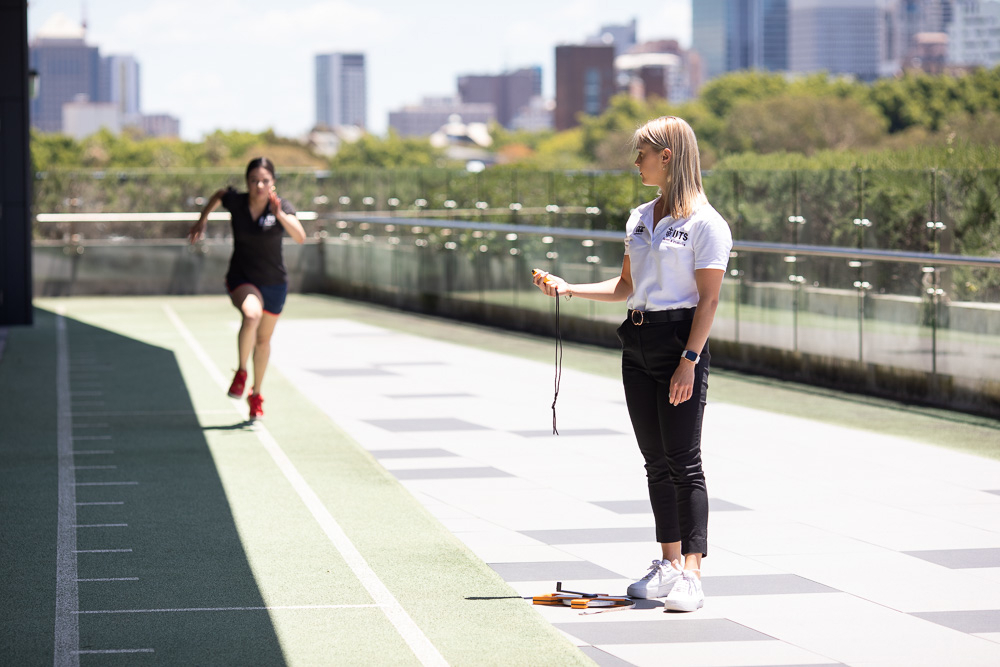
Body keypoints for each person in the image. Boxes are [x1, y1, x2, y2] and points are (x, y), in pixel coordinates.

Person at [532, 116, 733, 612]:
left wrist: (689, 359)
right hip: (638, 339)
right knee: (655, 461)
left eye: (641, 153)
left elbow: (708, 302)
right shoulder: (641, 217)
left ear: (667, 155)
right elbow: (626, 287)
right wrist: (569, 287)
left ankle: (693, 571)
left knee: (685, 462)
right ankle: (666, 564)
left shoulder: (706, 224)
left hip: (679, 342)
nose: (635, 161)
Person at [188, 157, 306, 420]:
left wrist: (280, 215)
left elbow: (300, 237)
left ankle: (256, 394)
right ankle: (242, 372)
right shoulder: (238, 203)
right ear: (247, 183)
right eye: (253, 181)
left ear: (273, 183)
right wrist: (202, 220)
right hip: (242, 278)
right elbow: (220, 194)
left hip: (274, 282)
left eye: (264, 180)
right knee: (251, 315)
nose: (259, 185)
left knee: (263, 342)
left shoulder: (281, 208)